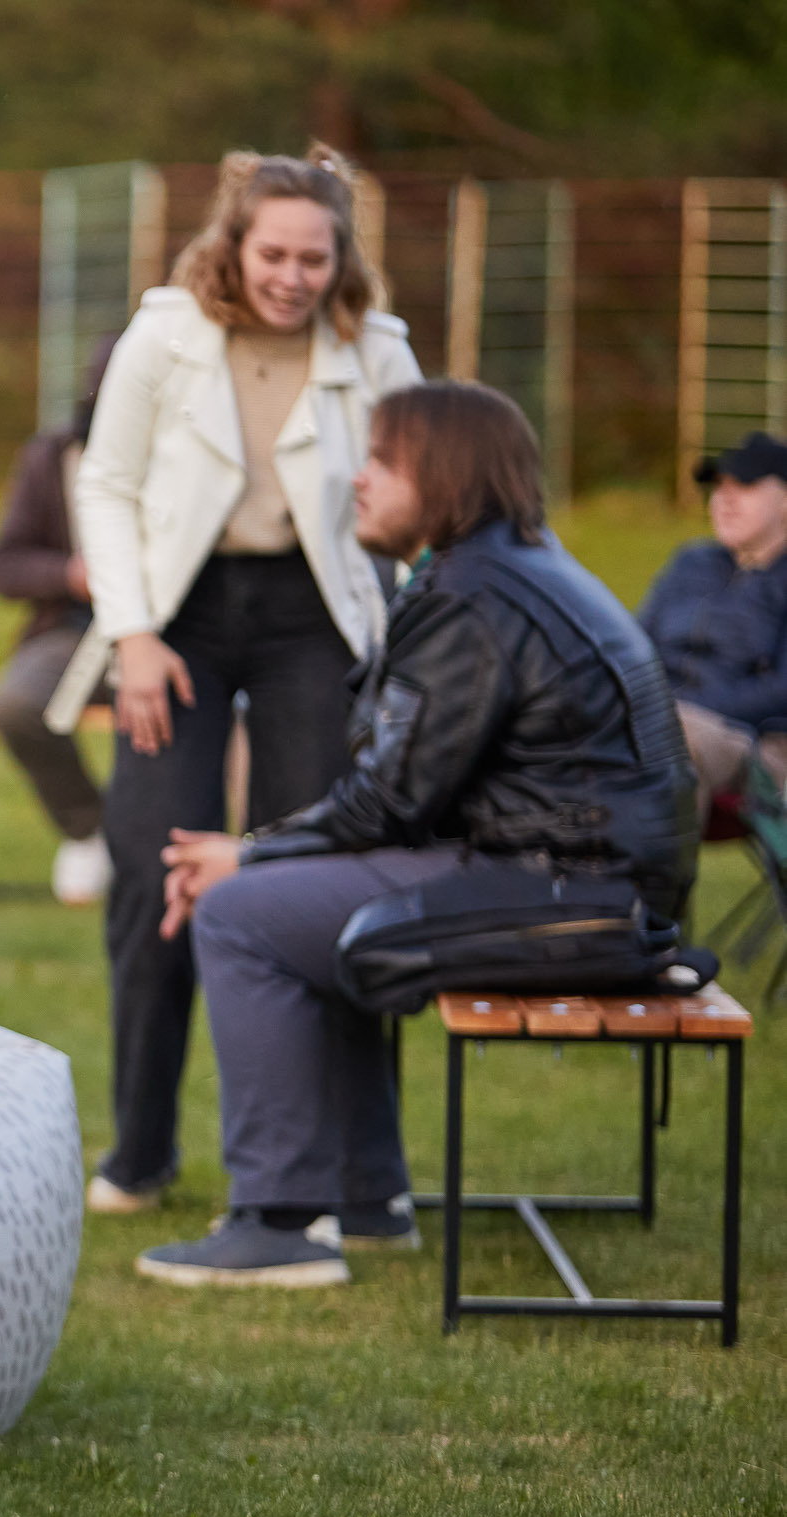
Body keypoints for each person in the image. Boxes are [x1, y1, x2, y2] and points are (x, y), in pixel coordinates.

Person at [137, 382, 698, 1286]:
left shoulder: (473, 596)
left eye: (382, 463)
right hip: (588, 880)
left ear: (445, 477)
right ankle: (367, 1198)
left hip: (574, 895)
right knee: (295, 904)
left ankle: (281, 1222)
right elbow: (410, 799)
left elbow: (386, 805)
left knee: (243, 914)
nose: (356, 481)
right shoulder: (509, 571)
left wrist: (242, 855)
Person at [56, 144, 423, 1216]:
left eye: (314, 257)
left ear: (338, 255)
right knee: (150, 873)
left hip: (318, 621)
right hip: (178, 623)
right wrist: (129, 636)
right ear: (234, 242)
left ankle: (360, 1176)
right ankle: (141, 1152)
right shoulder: (164, 335)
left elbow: (415, 489)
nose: (292, 276)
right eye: (274, 253)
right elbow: (108, 485)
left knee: (320, 881)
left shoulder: (377, 347)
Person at [0, 337, 115, 906]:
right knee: (16, 703)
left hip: (183, 636)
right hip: (76, 631)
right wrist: (71, 574)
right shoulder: (52, 458)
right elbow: (5, 565)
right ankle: (89, 829)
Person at [637, 430, 787, 824]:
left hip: (755, 742)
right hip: (659, 720)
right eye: (720, 487)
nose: (725, 499)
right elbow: (634, 648)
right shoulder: (691, 563)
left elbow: (780, 690)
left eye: (746, 485)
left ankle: (651, 885)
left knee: (675, 741)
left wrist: (676, 711)